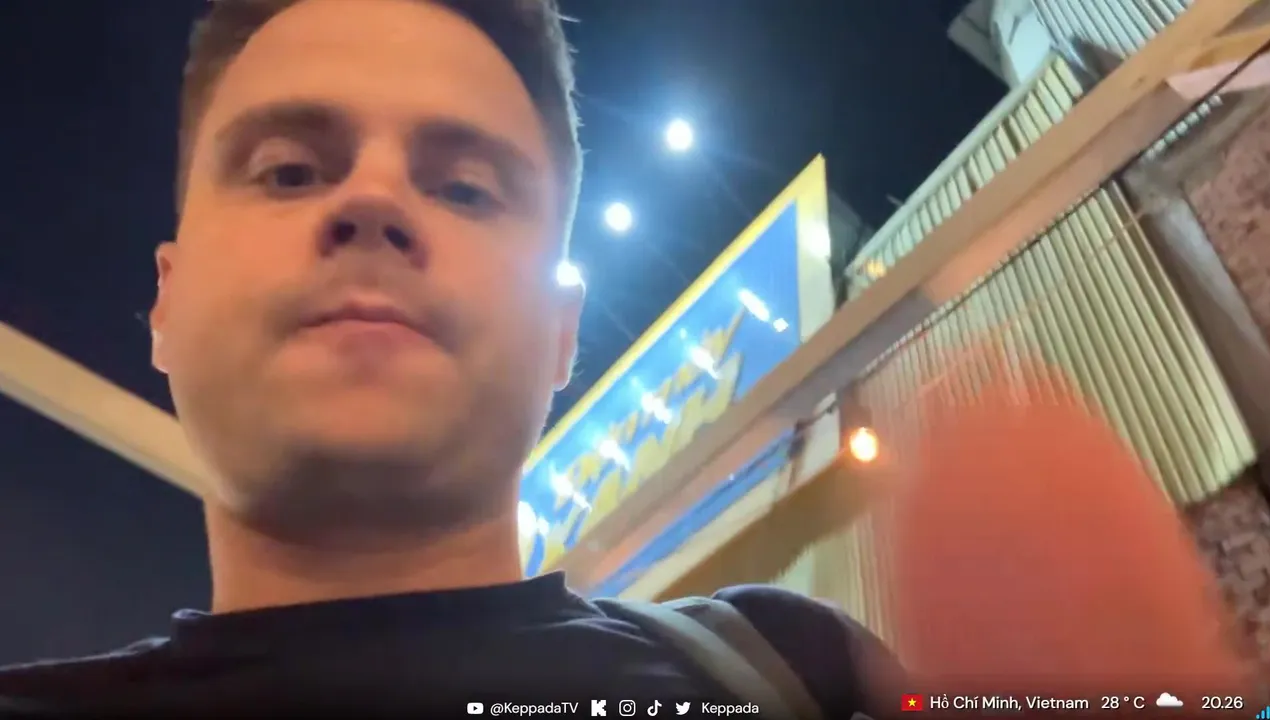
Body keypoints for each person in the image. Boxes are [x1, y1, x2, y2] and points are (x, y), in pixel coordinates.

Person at [0, 1, 904, 717]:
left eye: (466, 189)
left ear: (561, 332)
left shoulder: (794, 677)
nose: (373, 201)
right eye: (289, 171)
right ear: (167, 297)